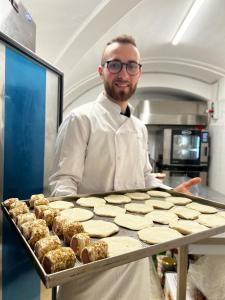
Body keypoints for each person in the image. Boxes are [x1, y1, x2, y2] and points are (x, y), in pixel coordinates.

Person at [49, 34, 201, 300]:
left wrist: (172, 196)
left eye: (132, 66)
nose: (124, 73)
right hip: (91, 254)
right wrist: (74, 234)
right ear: (101, 71)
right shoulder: (80, 119)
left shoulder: (139, 128)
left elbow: (144, 176)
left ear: (139, 73)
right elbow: (64, 182)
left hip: (134, 250)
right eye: (115, 64)